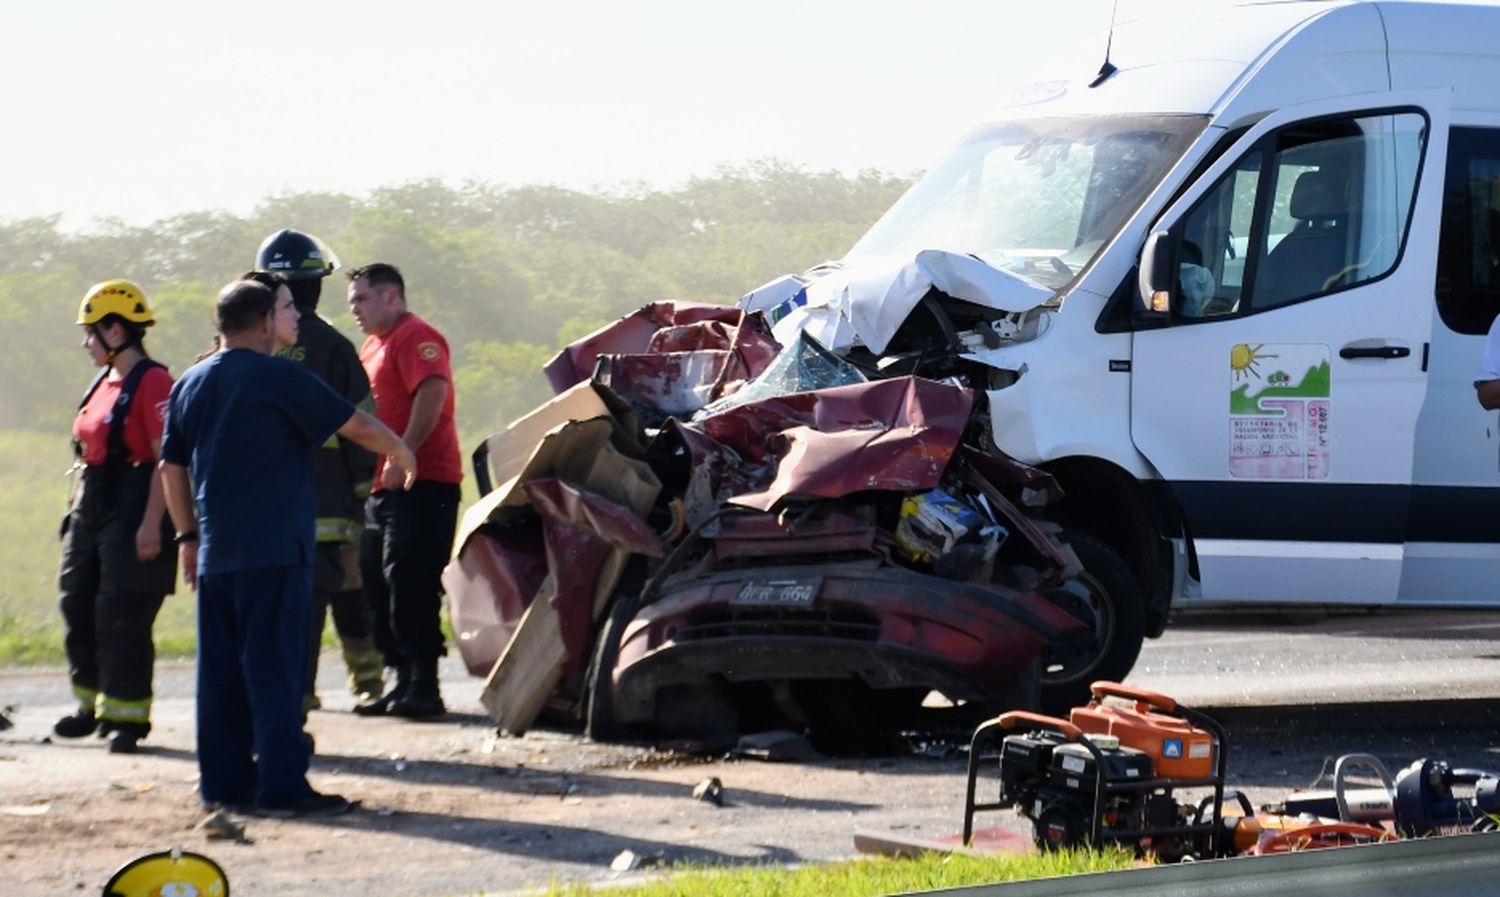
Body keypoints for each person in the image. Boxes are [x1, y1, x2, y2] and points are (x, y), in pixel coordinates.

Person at [160, 279, 416, 816]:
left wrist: (187, 536)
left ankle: (225, 787)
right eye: (284, 307)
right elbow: (355, 424)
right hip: (274, 551)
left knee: (221, 677)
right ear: (259, 323)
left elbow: (172, 467)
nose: (295, 315)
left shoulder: (190, 382)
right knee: (275, 672)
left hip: (217, 555)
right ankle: (282, 788)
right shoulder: (281, 377)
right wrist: (399, 449)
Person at [252, 229, 385, 711]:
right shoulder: (333, 346)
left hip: (267, 508)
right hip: (328, 503)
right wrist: (360, 489)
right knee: (341, 592)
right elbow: (363, 423)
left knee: (294, 602)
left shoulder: (249, 347)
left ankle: (301, 691)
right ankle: (366, 681)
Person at [55, 280, 178, 754]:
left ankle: (126, 718)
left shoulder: (153, 382)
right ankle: (90, 706)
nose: (87, 343)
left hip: (132, 509)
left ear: (114, 329)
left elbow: (165, 460)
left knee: (121, 613)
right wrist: (72, 512)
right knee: (77, 602)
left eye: (90, 333)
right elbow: (87, 453)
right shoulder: (101, 383)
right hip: (91, 507)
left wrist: (152, 524)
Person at [346, 263, 462, 719]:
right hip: (382, 488)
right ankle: (399, 679)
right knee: (376, 580)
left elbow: (432, 391)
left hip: (423, 480)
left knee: (409, 579)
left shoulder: (416, 336)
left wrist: (403, 452)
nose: (354, 308)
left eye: (361, 298)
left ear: (391, 296)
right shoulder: (373, 345)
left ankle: (424, 686)